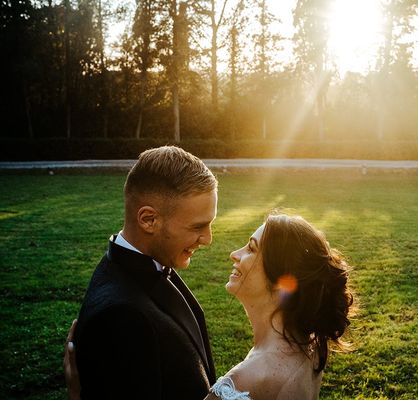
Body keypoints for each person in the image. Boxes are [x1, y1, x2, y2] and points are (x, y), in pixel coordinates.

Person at [66, 213, 355, 400]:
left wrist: (80, 396)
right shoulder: (311, 345)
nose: (234, 253)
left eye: (251, 249)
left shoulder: (246, 381)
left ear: (282, 282)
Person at [71, 145, 218, 400]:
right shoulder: (120, 319)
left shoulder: (150, 264)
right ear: (149, 220)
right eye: (198, 227)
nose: (207, 239)